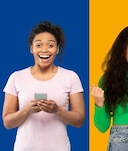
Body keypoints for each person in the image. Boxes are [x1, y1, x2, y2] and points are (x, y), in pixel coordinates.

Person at [2, 21, 85, 151]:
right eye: (39, 45)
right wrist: (26, 110)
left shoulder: (71, 77)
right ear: (31, 48)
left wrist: (57, 110)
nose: (44, 49)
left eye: (50, 45)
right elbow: (7, 122)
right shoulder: (16, 77)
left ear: (57, 49)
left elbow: (79, 120)